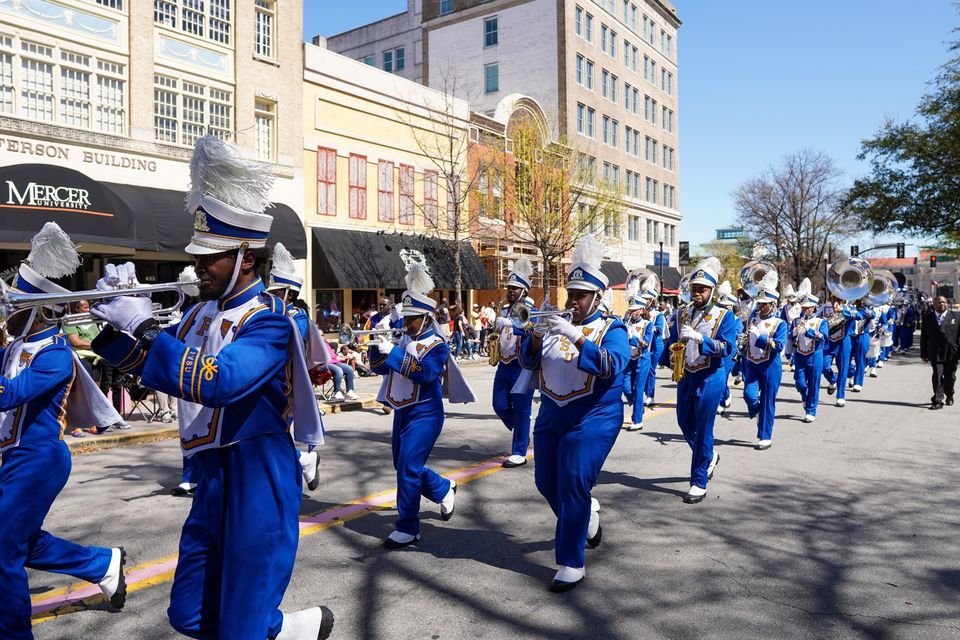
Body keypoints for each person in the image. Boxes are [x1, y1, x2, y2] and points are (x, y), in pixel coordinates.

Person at [90, 136, 332, 639]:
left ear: (245, 256)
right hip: (212, 471)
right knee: (190, 614)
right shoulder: (200, 311)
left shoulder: (270, 320)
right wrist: (112, 330)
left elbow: (218, 381)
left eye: (210, 257)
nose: (198, 265)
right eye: (197, 256)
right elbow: (158, 366)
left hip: (257, 470)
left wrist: (146, 328)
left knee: (236, 626)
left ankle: (265, 625)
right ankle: (283, 628)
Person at [1, 223, 127, 639]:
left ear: (36, 310)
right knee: (15, 541)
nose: (7, 312)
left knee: (4, 551)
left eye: (14, 306)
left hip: (40, 459)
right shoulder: (16, 346)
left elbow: (10, 395)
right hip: (15, 457)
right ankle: (101, 565)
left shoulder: (55, 354)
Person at [518, 236, 629, 592]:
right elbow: (527, 363)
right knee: (545, 482)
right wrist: (534, 337)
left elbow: (611, 366)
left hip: (593, 415)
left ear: (598, 298)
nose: (573, 302)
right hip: (552, 412)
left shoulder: (613, 329)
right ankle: (586, 517)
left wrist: (578, 337)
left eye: (581, 296)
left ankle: (570, 561)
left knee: (573, 482)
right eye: (571, 294)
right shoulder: (556, 321)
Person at [369, 262, 475, 549]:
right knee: (403, 465)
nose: (406, 323)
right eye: (406, 317)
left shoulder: (438, 345)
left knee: (408, 466)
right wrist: (374, 344)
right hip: (402, 412)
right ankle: (443, 487)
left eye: (413, 318)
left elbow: (425, 374)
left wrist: (393, 352)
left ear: (427, 318)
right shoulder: (402, 340)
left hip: (426, 414)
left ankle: (408, 527)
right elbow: (379, 369)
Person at [664, 258, 736, 504]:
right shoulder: (681, 312)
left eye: (702, 289)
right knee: (684, 422)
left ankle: (698, 481)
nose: (697, 293)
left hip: (711, 376)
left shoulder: (724, 316)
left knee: (704, 427)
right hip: (686, 373)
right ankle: (709, 455)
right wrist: (665, 357)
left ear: (711, 291)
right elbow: (672, 340)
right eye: (694, 288)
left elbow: (727, 348)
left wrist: (699, 338)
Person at [492, 258, 537, 467]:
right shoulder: (504, 309)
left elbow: (528, 328)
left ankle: (519, 451)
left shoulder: (530, 308)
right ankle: (522, 431)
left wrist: (509, 322)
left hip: (522, 365)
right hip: (504, 363)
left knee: (521, 408)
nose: (510, 292)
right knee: (499, 404)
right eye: (509, 288)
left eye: (515, 288)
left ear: (524, 291)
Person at [742, 271, 787, 450]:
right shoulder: (752, 319)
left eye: (764, 305)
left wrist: (760, 337)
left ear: (772, 305)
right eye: (759, 304)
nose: (761, 307)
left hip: (770, 365)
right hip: (752, 362)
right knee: (749, 395)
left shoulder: (780, 323)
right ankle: (758, 411)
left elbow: (778, 346)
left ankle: (765, 436)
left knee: (768, 401)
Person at [792, 290, 828, 422]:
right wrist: (794, 332)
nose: (805, 309)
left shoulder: (821, 321)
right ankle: (805, 397)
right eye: (804, 307)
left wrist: (809, 331)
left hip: (815, 355)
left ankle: (811, 410)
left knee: (814, 383)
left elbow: (824, 337)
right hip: (800, 355)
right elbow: (790, 336)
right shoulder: (796, 321)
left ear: (813, 307)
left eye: (808, 307)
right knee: (800, 382)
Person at [920, 295, 960, 409]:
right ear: (934, 305)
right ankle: (938, 400)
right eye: (938, 302)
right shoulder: (928, 317)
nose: (941, 304)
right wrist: (924, 354)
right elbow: (924, 337)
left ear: (947, 303)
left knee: (950, 377)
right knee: (937, 376)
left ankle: (950, 395)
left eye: (943, 302)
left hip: (952, 353)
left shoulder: (956, 316)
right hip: (935, 352)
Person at [623, 292, 654, 432]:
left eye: (635, 309)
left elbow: (646, 343)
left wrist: (633, 338)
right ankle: (638, 406)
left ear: (641, 310)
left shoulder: (647, 324)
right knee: (626, 387)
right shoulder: (625, 322)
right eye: (631, 309)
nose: (632, 311)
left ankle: (637, 420)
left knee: (638, 389)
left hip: (642, 359)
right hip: (629, 359)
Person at [714, 281, 742, 415]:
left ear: (731, 306)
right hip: (717, 350)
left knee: (722, 376)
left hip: (730, 352)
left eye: (726, 306)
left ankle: (721, 403)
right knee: (719, 377)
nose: (723, 308)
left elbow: (735, 335)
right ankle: (726, 396)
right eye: (721, 306)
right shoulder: (716, 318)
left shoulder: (736, 320)